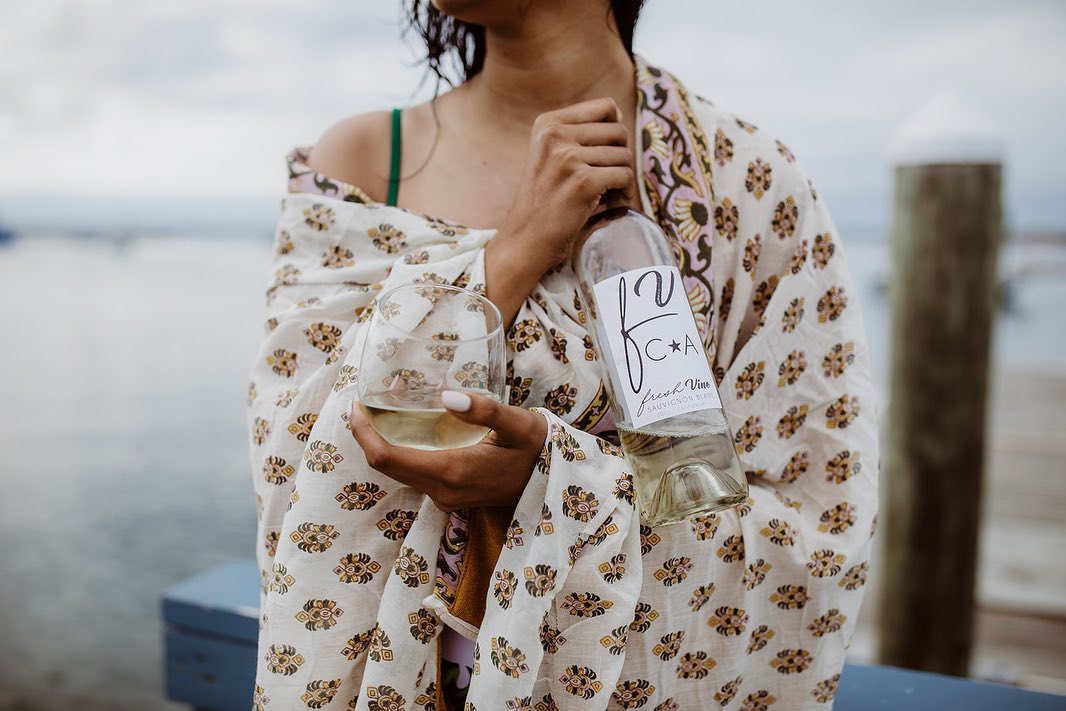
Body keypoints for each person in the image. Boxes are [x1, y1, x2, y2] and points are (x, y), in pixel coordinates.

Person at [248, 1, 880, 708]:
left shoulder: (747, 184)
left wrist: (549, 484)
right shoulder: (365, 164)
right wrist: (516, 248)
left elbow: (818, 527)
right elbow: (293, 456)